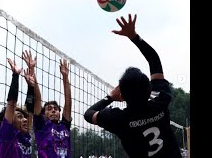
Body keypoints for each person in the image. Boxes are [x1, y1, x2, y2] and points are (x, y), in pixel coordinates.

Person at [84, 14, 182, 158]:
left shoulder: (118, 119)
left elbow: (88, 114)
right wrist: (134, 36)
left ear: (122, 96)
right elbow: (154, 59)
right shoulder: (161, 100)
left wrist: (110, 97)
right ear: (150, 91)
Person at [30, 54, 72, 158]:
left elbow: (68, 101)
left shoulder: (64, 126)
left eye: (56, 109)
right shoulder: (41, 125)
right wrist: (32, 71)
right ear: (44, 113)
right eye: (49, 109)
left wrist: (65, 77)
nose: (54, 111)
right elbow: (38, 98)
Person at [0, 57, 35, 158]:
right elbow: (12, 103)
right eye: (19, 116)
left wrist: (30, 87)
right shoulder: (6, 137)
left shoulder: (25, 137)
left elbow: (30, 111)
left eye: (24, 117)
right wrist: (15, 75)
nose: (25, 119)